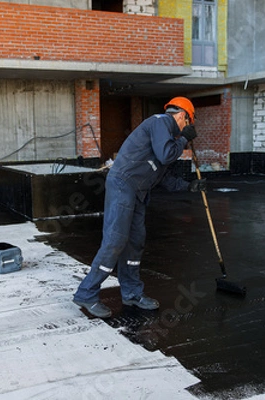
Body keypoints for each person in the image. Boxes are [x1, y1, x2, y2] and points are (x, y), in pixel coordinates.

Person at [73, 96, 205, 318]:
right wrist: (183, 139)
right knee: (116, 240)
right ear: (182, 116)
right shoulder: (161, 122)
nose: (185, 128)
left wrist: (190, 186)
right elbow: (166, 155)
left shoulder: (165, 136)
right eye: (187, 123)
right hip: (124, 185)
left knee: (135, 243)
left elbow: (161, 175)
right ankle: (86, 293)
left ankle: (132, 293)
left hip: (138, 192)